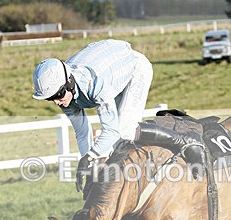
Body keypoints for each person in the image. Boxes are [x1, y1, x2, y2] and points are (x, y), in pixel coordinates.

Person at [32, 39, 203, 190]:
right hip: (113, 72)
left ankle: (185, 142)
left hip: (135, 70)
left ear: (69, 82)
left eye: (58, 95)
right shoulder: (63, 94)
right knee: (112, 142)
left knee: (124, 130)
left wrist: (90, 157)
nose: (56, 102)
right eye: (50, 99)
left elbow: (111, 131)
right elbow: (82, 133)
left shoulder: (95, 84)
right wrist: (89, 166)